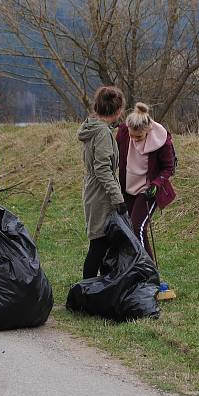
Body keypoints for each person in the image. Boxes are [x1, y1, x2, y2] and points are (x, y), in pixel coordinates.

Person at [77, 86, 127, 279]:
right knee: (98, 244)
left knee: (103, 243)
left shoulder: (94, 127)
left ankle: (102, 287)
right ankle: (87, 290)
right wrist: (118, 198)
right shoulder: (103, 133)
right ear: (117, 110)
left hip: (94, 189)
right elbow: (103, 169)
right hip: (100, 194)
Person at [116, 102, 176, 260]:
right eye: (132, 135)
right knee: (126, 228)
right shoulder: (122, 132)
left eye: (139, 136)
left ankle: (150, 272)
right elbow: (115, 155)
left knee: (138, 228)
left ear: (148, 131)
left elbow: (168, 168)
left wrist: (156, 184)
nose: (134, 139)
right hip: (127, 188)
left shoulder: (162, 140)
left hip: (148, 190)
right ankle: (133, 270)